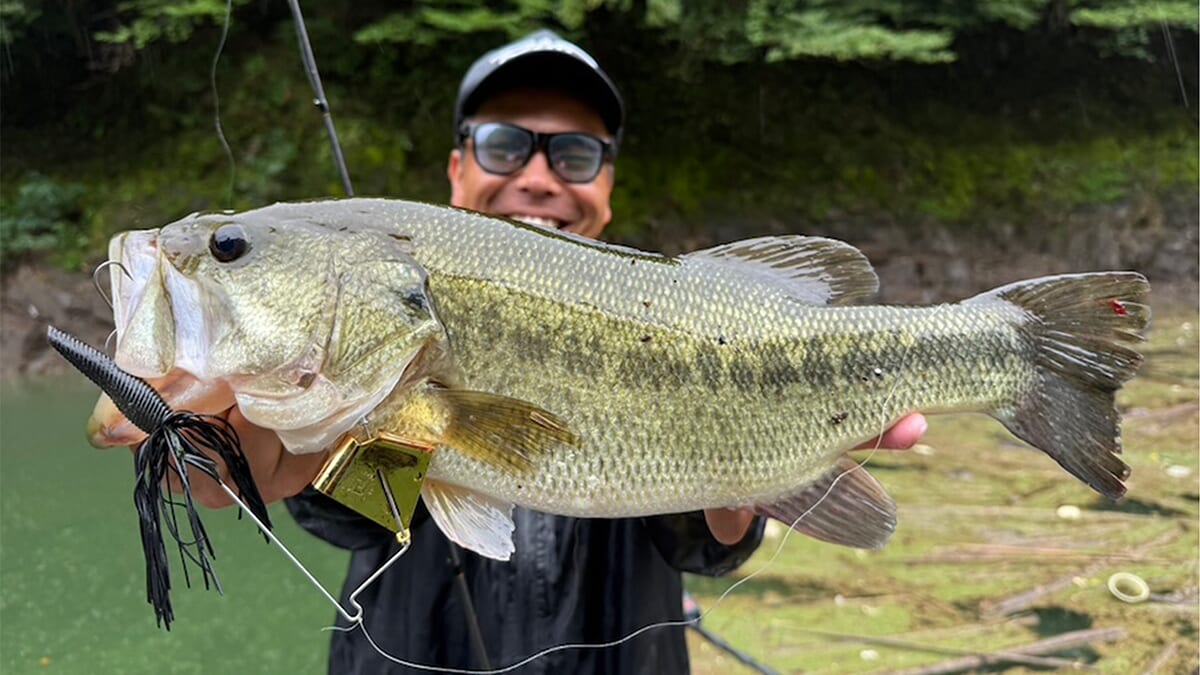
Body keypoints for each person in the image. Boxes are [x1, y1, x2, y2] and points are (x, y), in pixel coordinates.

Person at [172, 29, 927, 674]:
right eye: (505, 146)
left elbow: (704, 544)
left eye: (573, 154)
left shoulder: (689, 315)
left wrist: (740, 499)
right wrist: (291, 444)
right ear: (457, 168)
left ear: (608, 183)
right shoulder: (383, 311)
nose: (537, 178)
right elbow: (363, 523)